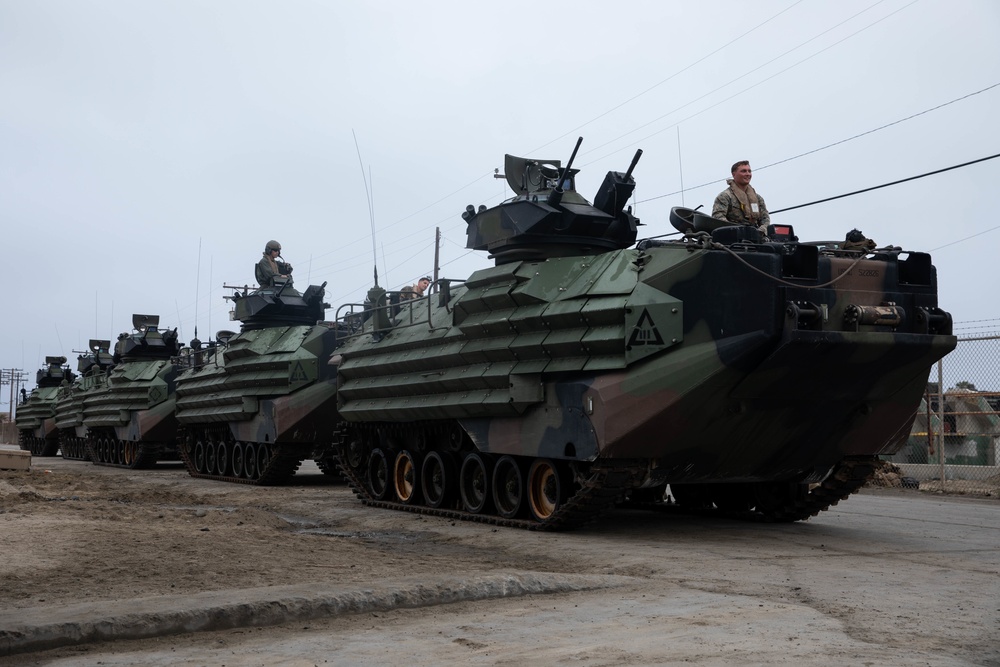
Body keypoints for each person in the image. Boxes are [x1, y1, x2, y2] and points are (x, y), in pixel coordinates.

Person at [712, 161, 770, 233]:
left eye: (749, 171)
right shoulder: (725, 196)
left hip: (756, 236)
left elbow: (765, 218)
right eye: (743, 171)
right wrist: (735, 230)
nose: (747, 174)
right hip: (734, 237)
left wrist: (762, 230)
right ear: (734, 174)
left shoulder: (758, 198)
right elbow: (718, 218)